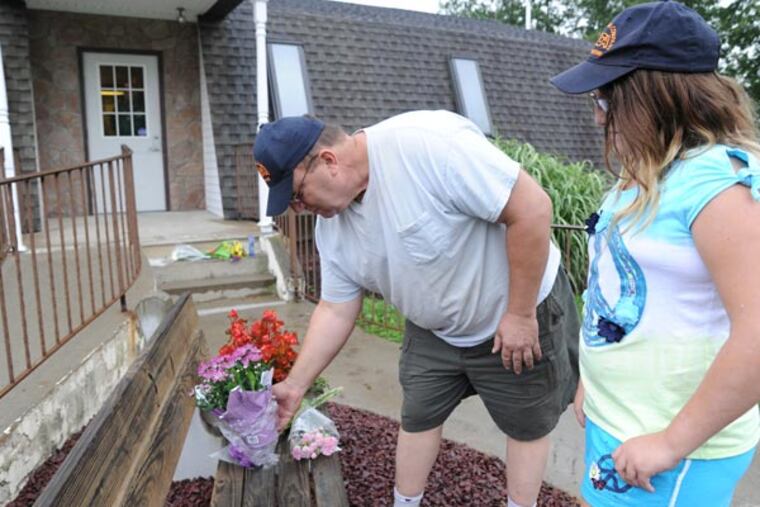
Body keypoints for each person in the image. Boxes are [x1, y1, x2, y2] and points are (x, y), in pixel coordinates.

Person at [253, 110, 580, 507]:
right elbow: (336, 309)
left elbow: (532, 208)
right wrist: (295, 385)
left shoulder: (428, 145)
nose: (299, 210)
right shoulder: (333, 228)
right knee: (419, 415)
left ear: (328, 161)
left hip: (514, 307)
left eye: (299, 196)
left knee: (527, 424)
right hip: (435, 328)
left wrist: (521, 314)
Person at [550, 1, 760, 505]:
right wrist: (593, 387)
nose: (599, 118)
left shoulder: (717, 184)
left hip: (674, 447)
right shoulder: (642, 175)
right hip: (623, 425)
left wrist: (672, 442)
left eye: (606, 99)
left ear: (652, 96)